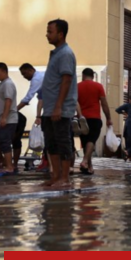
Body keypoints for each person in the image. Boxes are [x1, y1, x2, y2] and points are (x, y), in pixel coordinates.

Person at [40, 19, 79, 188]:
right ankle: (55, 176)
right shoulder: (56, 53)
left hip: (60, 109)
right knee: (51, 143)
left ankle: (65, 178)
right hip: (50, 109)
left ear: (60, 34)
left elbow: (66, 80)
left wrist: (58, 106)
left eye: (50, 31)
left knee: (63, 142)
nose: (47, 34)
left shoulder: (65, 54)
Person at [76, 68, 114, 175]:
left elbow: (74, 102)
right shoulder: (98, 86)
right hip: (94, 118)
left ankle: (89, 167)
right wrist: (108, 118)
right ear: (92, 76)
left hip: (81, 118)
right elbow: (104, 104)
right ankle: (84, 161)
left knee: (85, 142)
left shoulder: (77, 86)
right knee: (91, 141)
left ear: (83, 76)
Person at [15, 63, 45, 171]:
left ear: (31, 70)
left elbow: (28, 97)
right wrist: (38, 116)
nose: (24, 76)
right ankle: (47, 162)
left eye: (24, 74)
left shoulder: (37, 79)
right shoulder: (42, 77)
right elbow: (40, 99)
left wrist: (14, 110)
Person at [0, 64, 18, 174]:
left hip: (7, 120)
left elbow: (8, 101)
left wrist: (4, 117)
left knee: (5, 142)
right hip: (2, 120)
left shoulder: (7, 84)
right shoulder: (3, 84)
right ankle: (8, 165)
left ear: (4, 71)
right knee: (2, 142)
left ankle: (9, 167)